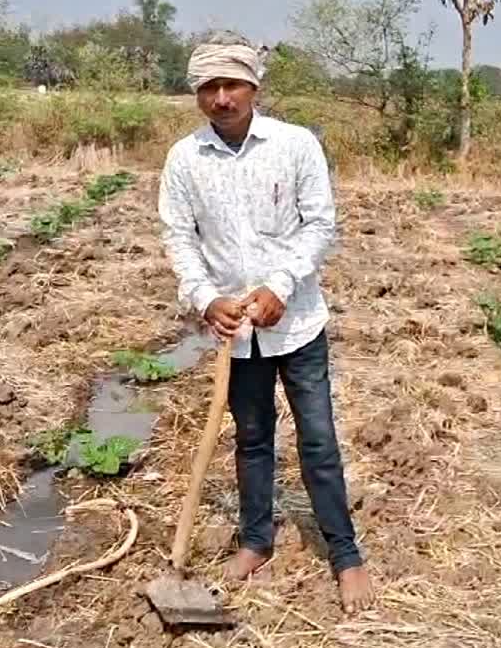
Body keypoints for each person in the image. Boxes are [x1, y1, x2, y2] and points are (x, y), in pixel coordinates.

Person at [157, 35, 374, 615]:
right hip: (236, 334)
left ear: (254, 87)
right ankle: (257, 540)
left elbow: (319, 225)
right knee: (252, 440)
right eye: (209, 87)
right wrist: (205, 299)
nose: (221, 98)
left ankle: (345, 554)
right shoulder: (185, 159)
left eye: (232, 85)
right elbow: (179, 237)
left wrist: (280, 286)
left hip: (298, 324)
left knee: (318, 439)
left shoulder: (295, 145)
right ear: (197, 94)